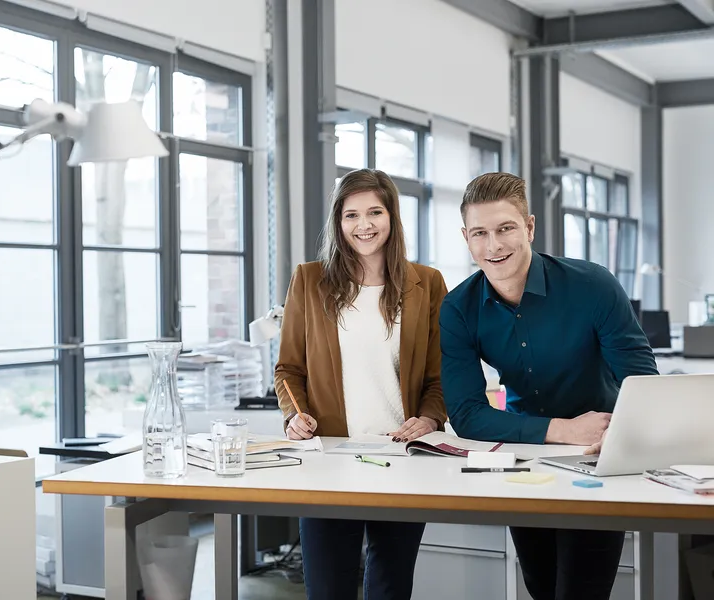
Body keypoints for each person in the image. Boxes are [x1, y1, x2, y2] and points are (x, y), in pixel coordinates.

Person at [439, 172, 657, 600]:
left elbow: (642, 382)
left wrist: (616, 432)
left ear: (530, 227)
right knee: (540, 588)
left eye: (505, 228)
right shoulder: (459, 308)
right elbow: (465, 414)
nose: (494, 246)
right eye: (480, 233)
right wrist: (563, 429)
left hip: (598, 457)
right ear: (466, 238)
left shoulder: (592, 285)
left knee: (581, 590)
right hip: (526, 461)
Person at [275, 168, 448, 600]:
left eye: (375, 212)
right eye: (351, 215)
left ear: (392, 216)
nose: (364, 225)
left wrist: (429, 419)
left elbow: (440, 375)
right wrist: (295, 415)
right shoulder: (310, 280)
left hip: (402, 459)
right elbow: (288, 369)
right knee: (328, 589)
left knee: (390, 587)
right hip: (328, 460)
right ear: (338, 222)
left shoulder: (426, 283)